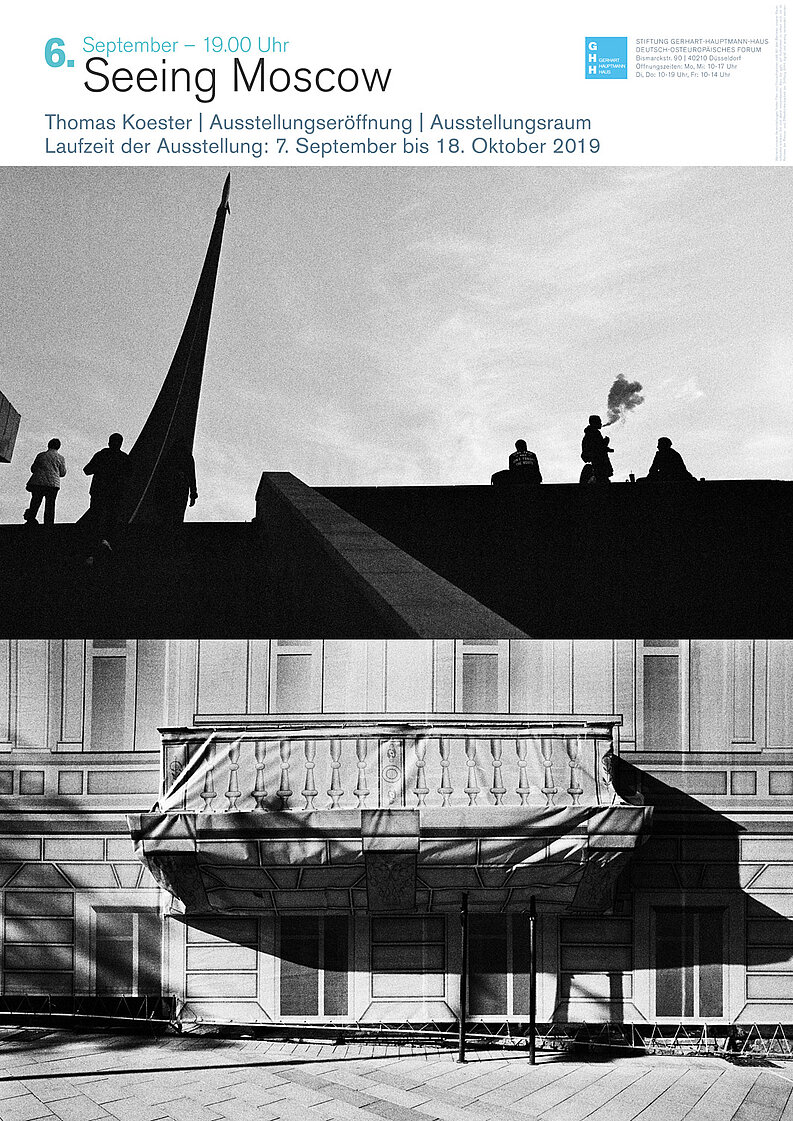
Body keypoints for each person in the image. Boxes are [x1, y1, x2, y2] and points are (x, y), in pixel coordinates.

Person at [83, 433, 131, 550]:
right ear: (121, 444)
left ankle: (93, 542)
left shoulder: (101, 455)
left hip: (99, 491)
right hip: (116, 492)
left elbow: (87, 470)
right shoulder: (124, 458)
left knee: (96, 516)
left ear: (109, 442)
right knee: (112, 517)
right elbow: (129, 474)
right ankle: (108, 541)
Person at [155, 440, 198, 526]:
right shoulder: (186, 456)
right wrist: (193, 494)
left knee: (168, 513)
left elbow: (191, 475)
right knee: (176, 513)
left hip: (172, 486)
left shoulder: (169, 456)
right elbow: (191, 476)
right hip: (179, 487)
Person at [24, 439, 67, 525]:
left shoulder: (41, 455)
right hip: (53, 484)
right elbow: (62, 473)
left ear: (48, 445)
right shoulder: (60, 458)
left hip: (38, 482)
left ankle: (31, 520)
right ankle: (48, 524)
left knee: (35, 502)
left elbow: (33, 469)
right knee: (50, 505)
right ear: (58, 447)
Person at [581, 415, 614, 483]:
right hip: (599, 461)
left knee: (601, 477)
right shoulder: (594, 433)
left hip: (596, 460)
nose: (601, 424)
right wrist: (606, 442)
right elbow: (598, 448)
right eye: (599, 422)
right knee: (602, 478)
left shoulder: (590, 433)